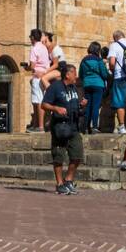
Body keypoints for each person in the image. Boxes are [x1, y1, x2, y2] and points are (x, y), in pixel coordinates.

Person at [42, 62, 87, 195]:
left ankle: (68, 180)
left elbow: (74, 105)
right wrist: (56, 108)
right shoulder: (55, 87)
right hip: (59, 127)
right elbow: (44, 105)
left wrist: (81, 105)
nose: (76, 76)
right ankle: (60, 184)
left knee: (77, 155)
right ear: (67, 74)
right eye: (74, 73)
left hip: (73, 126)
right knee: (58, 156)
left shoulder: (73, 88)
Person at [78, 42, 109, 133]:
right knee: (95, 106)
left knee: (88, 106)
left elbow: (80, 74)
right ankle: (95, 127)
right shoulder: (99, 60)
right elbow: (104, 74)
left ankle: (86, 127)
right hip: (98, 85)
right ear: (97, 50)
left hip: (87, 85)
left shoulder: (84, 60)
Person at [25, 29, 51, 131]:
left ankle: (40, 126)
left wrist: (26, 68)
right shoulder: (44, 47)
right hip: (44, 75)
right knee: (38, 100)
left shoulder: (34, 48)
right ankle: (37, 125)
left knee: (38, 101)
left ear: (32, 38)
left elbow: (32, 66)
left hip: (37, 76)